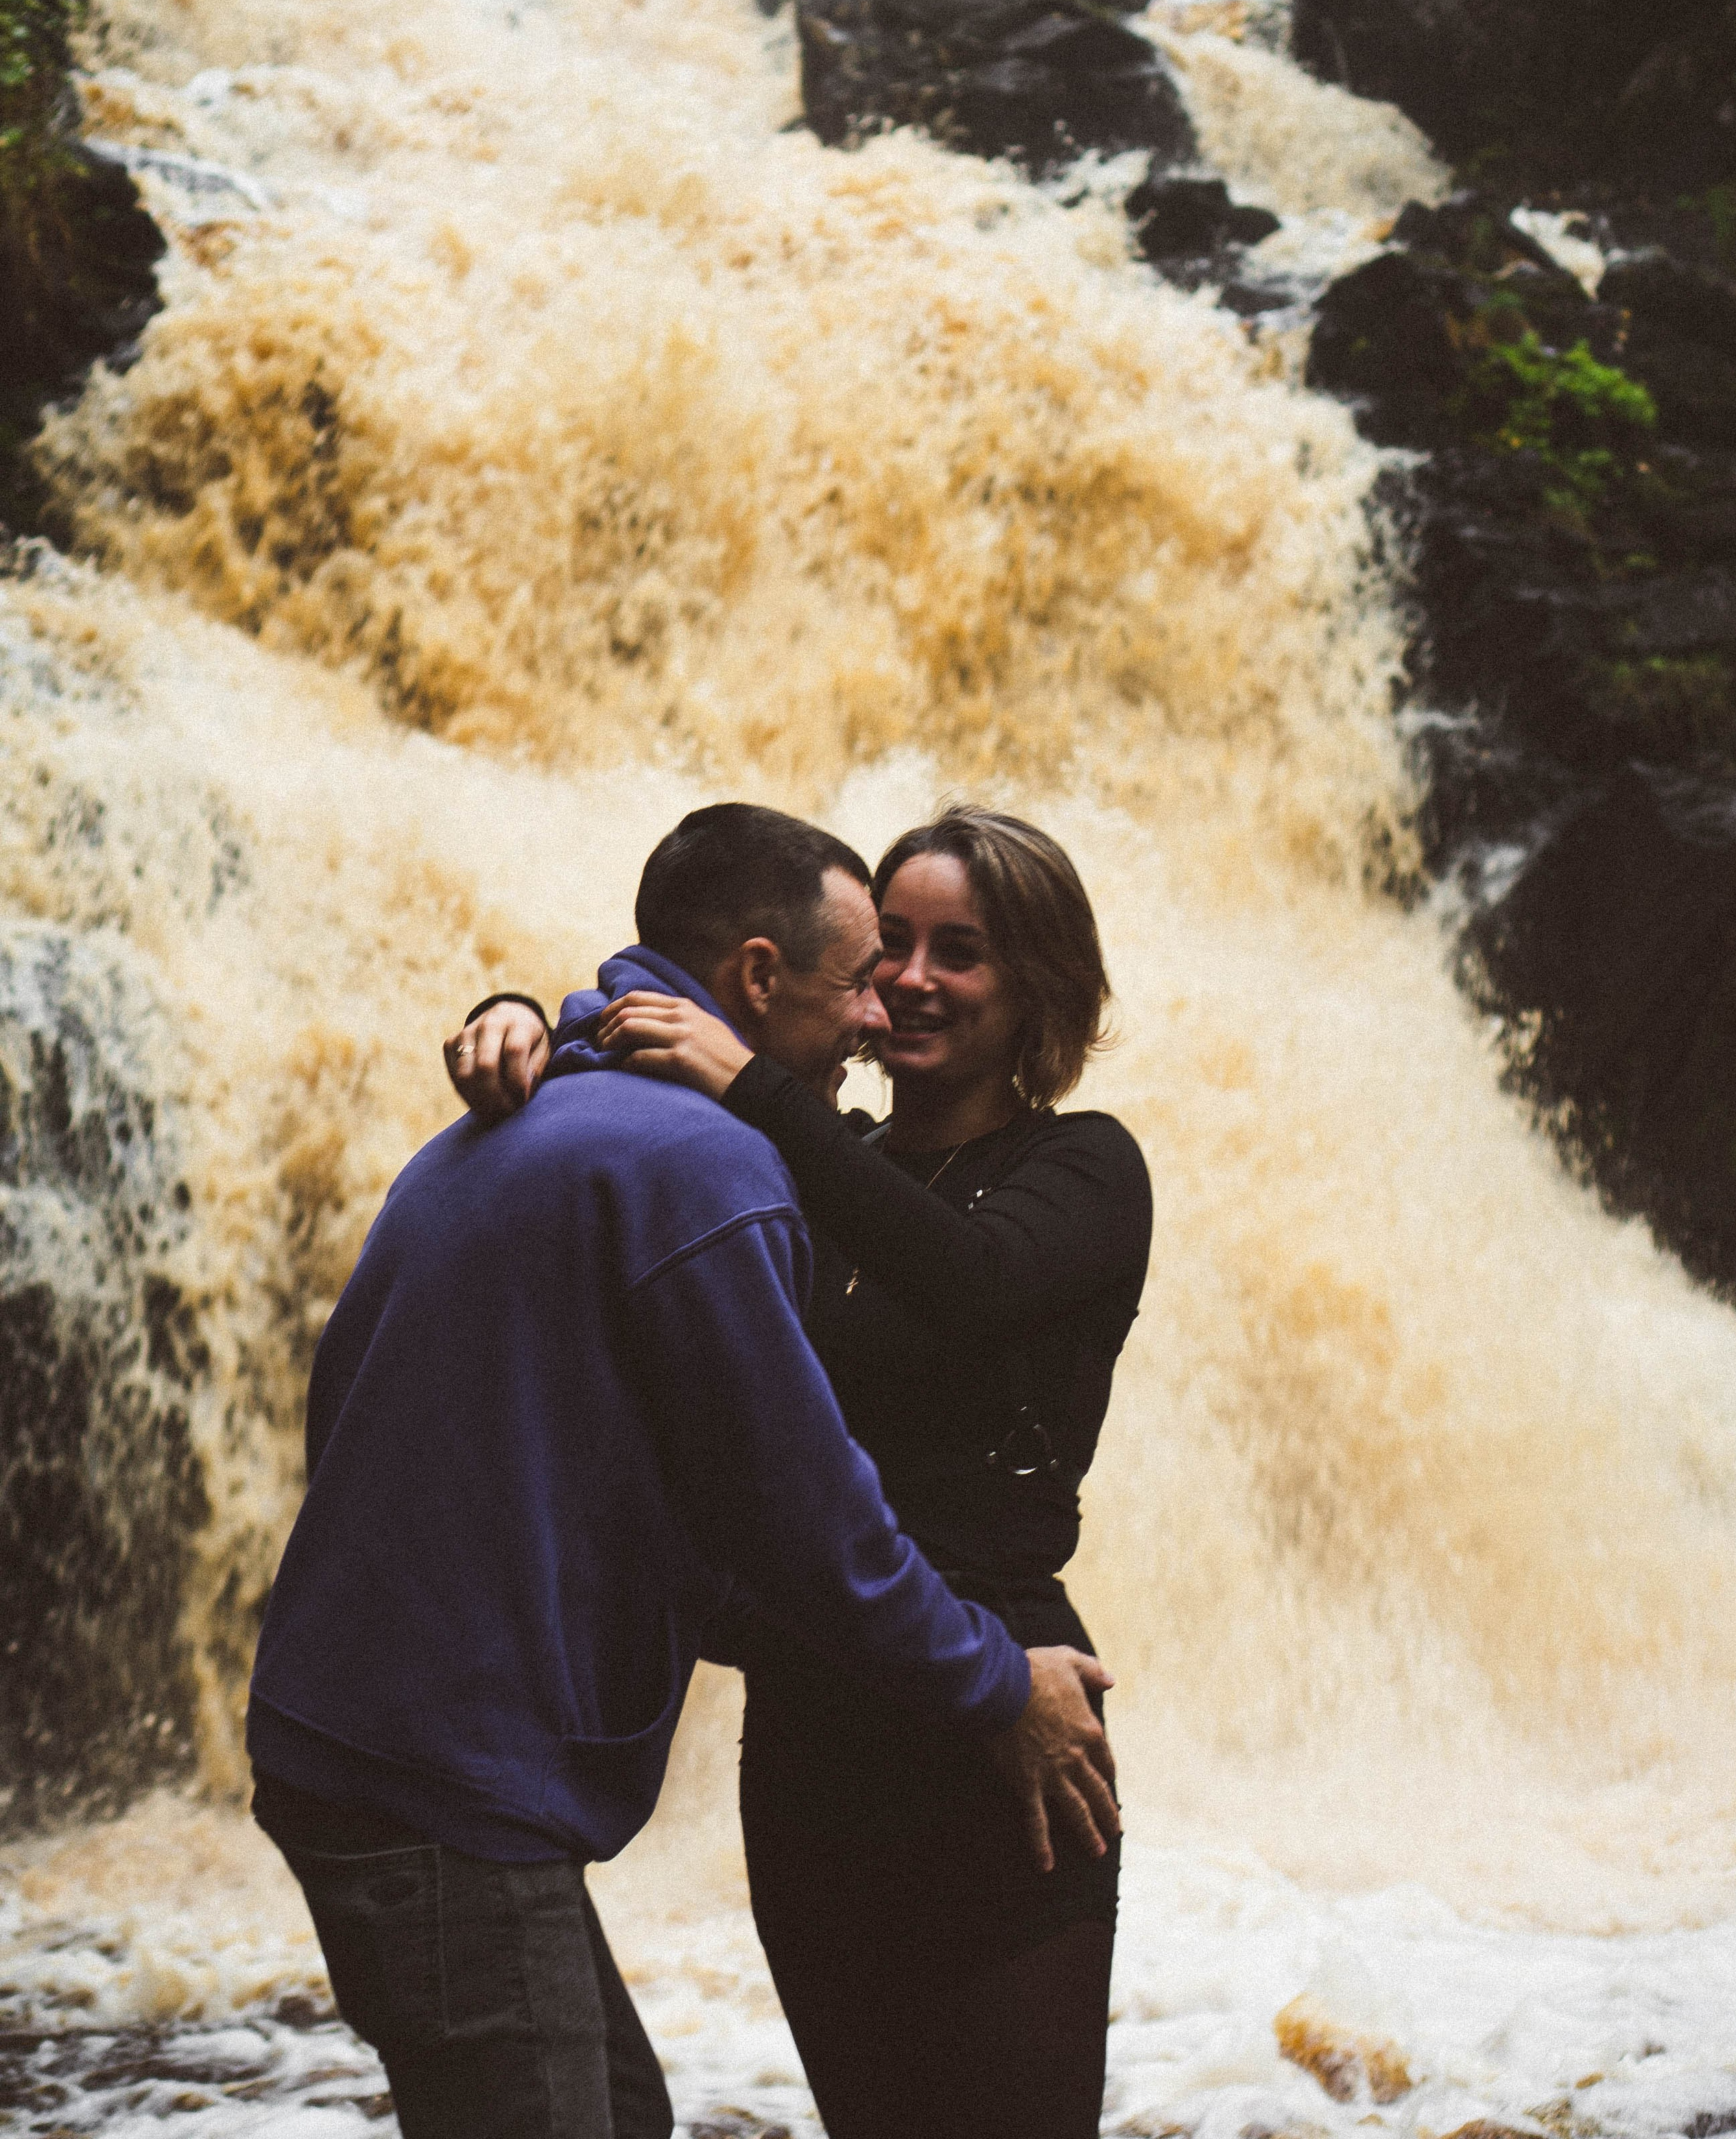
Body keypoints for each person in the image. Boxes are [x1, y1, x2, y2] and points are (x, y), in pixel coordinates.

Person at [249, 804, 1119, 2139]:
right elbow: (784, 1510)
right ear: (765, 976)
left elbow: (962, 1284)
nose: (895, 993)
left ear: (1038, 982)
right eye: (880, 952)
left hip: (986, 1733)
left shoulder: (1060, 1166)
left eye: (961, 952)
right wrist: (567, 1017)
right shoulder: (711, 1157)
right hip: (823, 1711)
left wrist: (700, 1061)